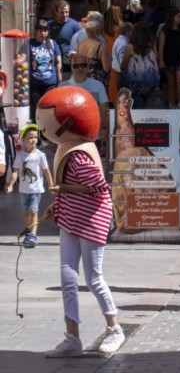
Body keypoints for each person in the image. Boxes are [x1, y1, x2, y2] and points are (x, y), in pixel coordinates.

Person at [37, 87, 125, 357]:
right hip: (71, 219)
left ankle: (114, 329)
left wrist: (63, 190)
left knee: (94, 277)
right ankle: (72, 336)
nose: (42, 132)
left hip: (90, 219)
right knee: (67, 276)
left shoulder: (79, 154)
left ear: (68, 124)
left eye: (46, 126)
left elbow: (99, 187)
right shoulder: (68, 147)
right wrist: (60, 201)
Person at [4, 123, 53, 247]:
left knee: (33, 211)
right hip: (23, 190)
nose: (33, 140)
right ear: (23, 139)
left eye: (35, 137)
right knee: (26, 212)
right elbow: (15, 171)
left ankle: (33, 235)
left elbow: (46, 171)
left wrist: (51, 185)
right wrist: (10, 184)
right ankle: (27, 232)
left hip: (36, 189)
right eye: (30, 137)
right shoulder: (20, 156)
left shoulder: (40, 155)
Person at [17, 19, 62, 121]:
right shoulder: (29, 43)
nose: (43, 33)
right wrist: (17, 60)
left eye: (45, 31)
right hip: (35, 83)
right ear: (35, 31)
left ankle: (47, 133)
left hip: (50, 83)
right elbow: (22, 58)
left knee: (48, 109)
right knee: (35, 109)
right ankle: (35, 132)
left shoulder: (52, 43)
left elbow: (58, 62)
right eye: (40, 31)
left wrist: (60, 81)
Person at [157, 7, 180, 109]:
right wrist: (161, 60)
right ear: (172, 18)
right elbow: (161, 47)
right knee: (171, 83)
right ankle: (172, 104)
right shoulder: (164, 31)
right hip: (168, 59)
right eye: (178, 17)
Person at [49, 0, 82, 78]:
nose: (65, 15)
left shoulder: (75, 26)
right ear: (56, 12)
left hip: (68, 65)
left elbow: (82, 43)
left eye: (67, 12)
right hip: (52, 63)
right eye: (62, 12)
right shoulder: (49, 26)